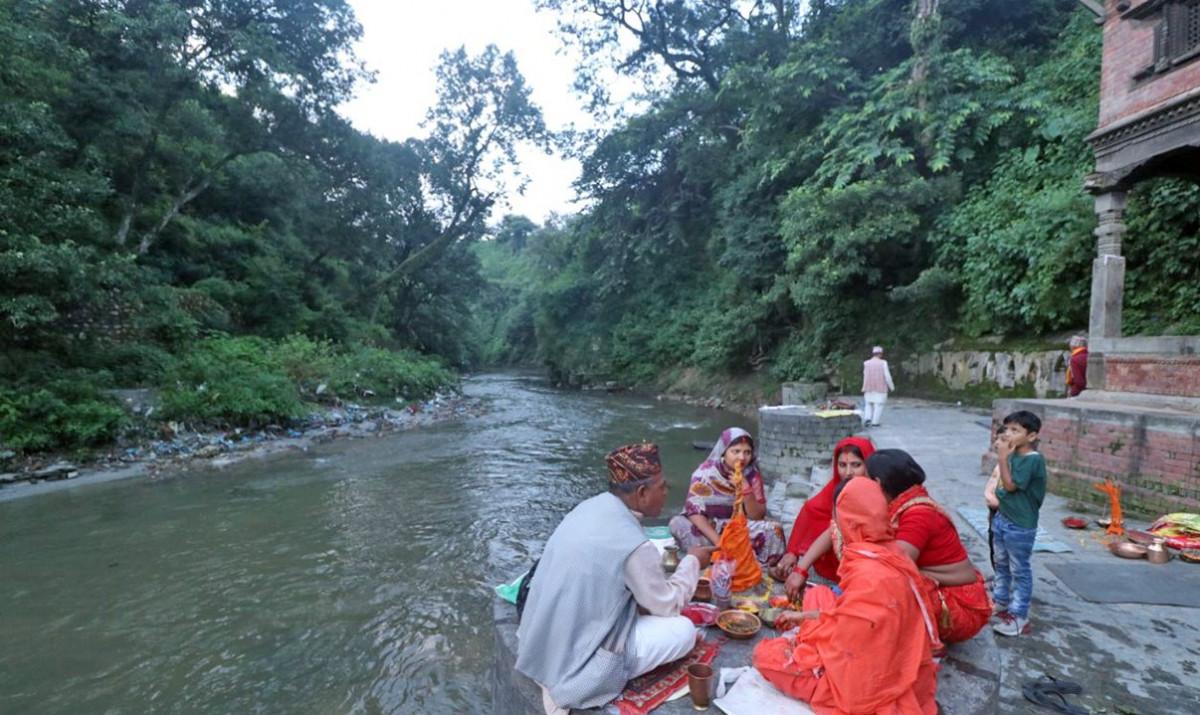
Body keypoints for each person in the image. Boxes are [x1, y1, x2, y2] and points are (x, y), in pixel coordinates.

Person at [516, 443, 716, 714]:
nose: (666, 493)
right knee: (683, 631)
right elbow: (666, 605)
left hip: (539, 636)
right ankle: (594, 674)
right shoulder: (632, 543)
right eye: (662, 487)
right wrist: (694, 561)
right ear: (643, 493)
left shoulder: (588, 506)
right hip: (574, 658)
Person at [752, 478, 941, 714]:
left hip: (864, 680)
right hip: (889, 653)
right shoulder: (892, 551)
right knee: (820, 592)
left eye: (838, 523)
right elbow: (849, 615)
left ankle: (814, 673)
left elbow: (846, 649)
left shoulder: (868, 573)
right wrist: (804, 618)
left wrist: (806, 641)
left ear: (850, 524)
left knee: (766, 656)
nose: (836, 530)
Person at [867, 449, 992, 643]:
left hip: (962, 608)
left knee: (891, 582)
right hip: (949, 590)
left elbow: (892, 565)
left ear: (877, 484)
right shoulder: (907, 501)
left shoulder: (917, 515)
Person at [772, 436, 875, 601]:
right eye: (842, 465)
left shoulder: (877, 495)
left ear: (869, 465)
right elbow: (813, 511)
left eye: (856, 465)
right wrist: (794, 552)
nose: (848, 473)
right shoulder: (835, 488)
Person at [669, 428, 786, 566]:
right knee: (677, 523)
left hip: (738, 527)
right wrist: (719, 542)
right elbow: (694, 513)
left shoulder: (752, 476)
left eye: (747, 452)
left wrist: (745, 488)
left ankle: (757, 564)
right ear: (724, 451)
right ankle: (719, 553)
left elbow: (757, 516)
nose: (742, 458)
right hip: (710, 528)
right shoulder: (705, 473)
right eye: (736, 451)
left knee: (775, 529)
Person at [990, 410, 1046, 637]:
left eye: (1016, 430)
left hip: (1020, 525)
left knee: (1019, 569)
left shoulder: (1033, 460)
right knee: (1000, 563)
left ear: (1031, 436)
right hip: (1003, 518)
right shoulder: (1013, 454)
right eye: (1008, 429)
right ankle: (1000, 600)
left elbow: (1011, 486)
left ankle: (1019, 615)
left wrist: (1002, 457)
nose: (1009, 434)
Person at [862, 345, 895, 427]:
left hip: (868, 387)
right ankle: (875, 422)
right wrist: (891, 387)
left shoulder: (866, 363)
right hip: (880, 387)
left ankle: (867, 419)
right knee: (878, 405)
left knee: (868, 403)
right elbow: (887, 376)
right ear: (880, 354)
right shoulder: (883, 363)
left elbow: (864, 375)